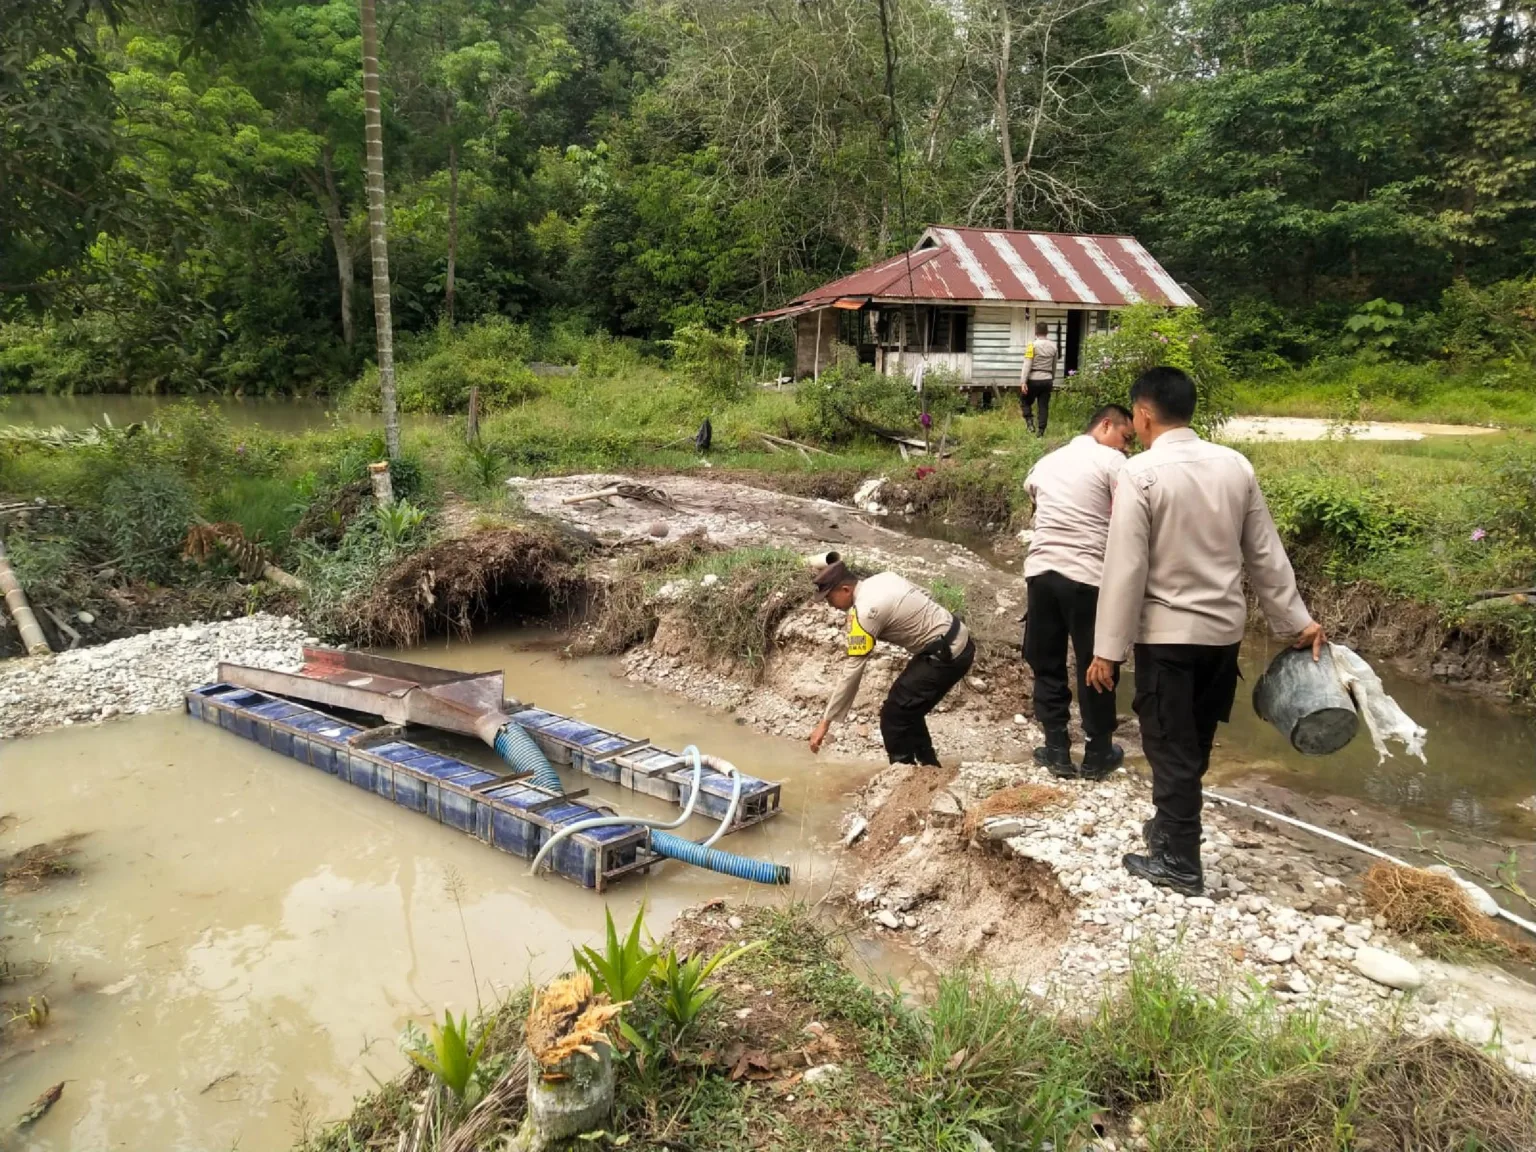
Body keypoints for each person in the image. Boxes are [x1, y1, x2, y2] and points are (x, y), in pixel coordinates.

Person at [1086, 367, 1325, 896]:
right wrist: (1296, 623)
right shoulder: (1234, 466)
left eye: (1137, 420)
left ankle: (1179, 864)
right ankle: (1168, 829)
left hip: (1168, 636)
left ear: (1143, 414)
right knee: (1194, 740)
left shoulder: (1141, 474)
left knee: (1169, 746)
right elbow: (1264, 553)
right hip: (1223, 636)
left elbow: (1125, 567)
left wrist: (1107, 651)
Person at [1022, 404, 1134, 780]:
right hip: (1088, 577)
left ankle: (1055, 749)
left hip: (1041, 573)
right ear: (1106, 426)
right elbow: (1129, 513)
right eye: (1125, 438)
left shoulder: (1047, 461)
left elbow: (1033, 499)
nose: (1126, 448)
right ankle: (1097, 753)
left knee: (1046, 661)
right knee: (1096, 663)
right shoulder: (1112, 462)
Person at [807, 555, 974, 766]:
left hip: (946, 655)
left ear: (846, 590)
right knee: (907, 706)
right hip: (958, 637)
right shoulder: (884, 578)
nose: (830, 605)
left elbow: (852, 671)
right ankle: (929, 767)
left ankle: (902, 777)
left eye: (829, 598)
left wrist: (825, 723)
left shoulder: (865, 612)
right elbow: (925, 594)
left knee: (893, 716)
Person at [1018, 322, 1058, 435]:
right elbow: (1054, 365)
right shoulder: (1053, 346)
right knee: (1043, 406)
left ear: (1036, 332)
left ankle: (1030, 423)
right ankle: (1041, 431)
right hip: (1047, 379)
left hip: (1034, 379)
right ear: (1047, 332)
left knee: (1025, 400)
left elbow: (1027, 364)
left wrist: (1023, 382)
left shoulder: (1032, 345)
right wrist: (1051, 378)